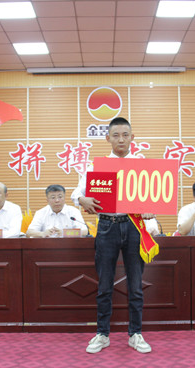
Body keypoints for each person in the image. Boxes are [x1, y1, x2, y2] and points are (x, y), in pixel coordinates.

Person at [71, 117, 154, 354]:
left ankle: (135, 334)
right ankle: (102, 334)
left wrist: (151, 207)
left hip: (134, 225)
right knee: (104, 284)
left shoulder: (143, 166)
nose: (121, 140)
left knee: (135, 285)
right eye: (116, 135)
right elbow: (76, 194)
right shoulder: (96, 166)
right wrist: (83, 200)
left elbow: (154, 196)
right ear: (107, 138)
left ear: (132, 137)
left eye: (125, 135)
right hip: (107, 227)